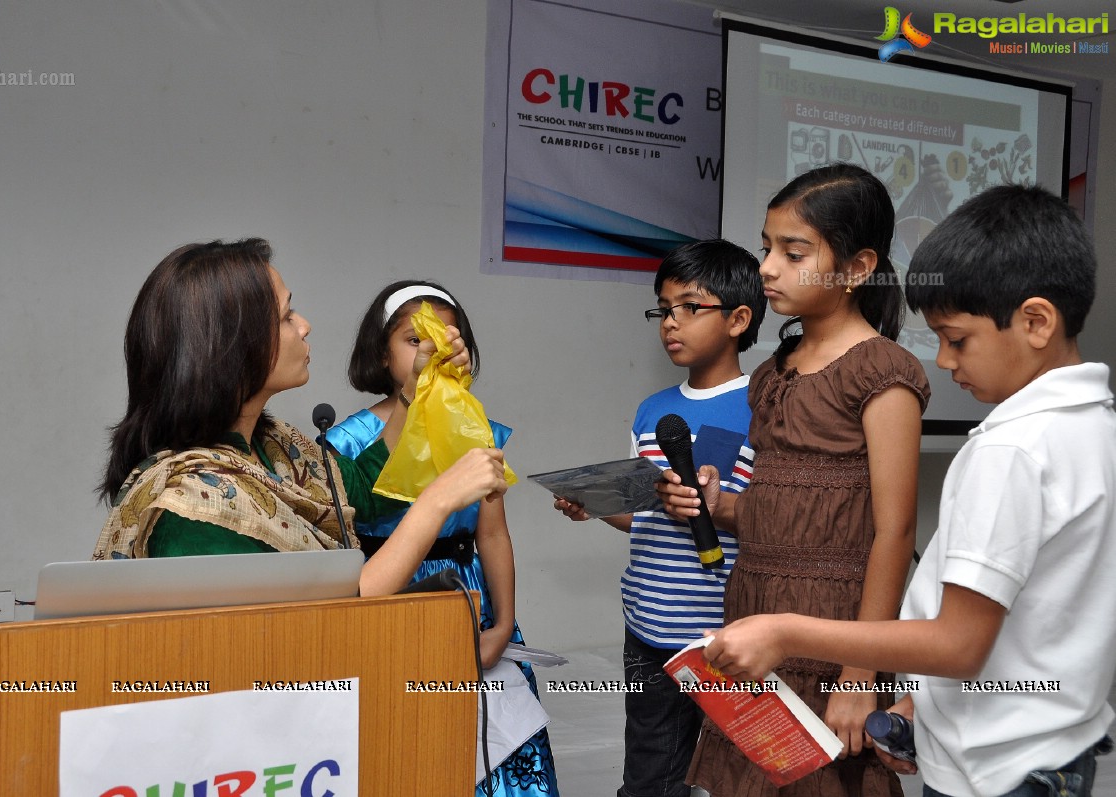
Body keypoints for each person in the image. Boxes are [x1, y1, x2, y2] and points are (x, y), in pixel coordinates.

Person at [696, 184, 1116, 797]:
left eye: (958, 339)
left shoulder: (1010, 450)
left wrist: (788, 633)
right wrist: (922, 702)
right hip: (1048, 743)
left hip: (994, 768)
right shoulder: (1093, 426)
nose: (943, 362)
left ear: (1035, 321)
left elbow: (958, 640)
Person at [660, 163, 929, 796]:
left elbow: (893, 534)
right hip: (756, 609)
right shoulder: (771, 372)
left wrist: (860, 674)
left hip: (833, 635)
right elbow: (785, 505)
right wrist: (720, 506)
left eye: (794, 251)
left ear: (857, 267)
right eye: (766, 247)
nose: (768, 267)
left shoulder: (883, 374)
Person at [94, 240, 509, 599]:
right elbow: (326, 619)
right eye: (287, 316)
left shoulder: (274, 446)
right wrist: (438, 500)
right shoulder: (193, 510)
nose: (305, 326)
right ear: (235, 349)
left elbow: (367, 492)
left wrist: (414, 392)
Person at [326, 281, 559, 797]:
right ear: (381, 354)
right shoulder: (346, 443)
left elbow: (494, 534)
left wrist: (502, 624)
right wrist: (416, 398)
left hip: (468, 597)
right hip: (392, 598)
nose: (431, 349)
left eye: (446, 338)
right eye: (414, 339)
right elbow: (368, 508)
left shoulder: (479, 432)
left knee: (497, 748)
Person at [552, 240, 764, 797]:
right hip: (647, 625)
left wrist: (716, 508)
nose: (670, 323)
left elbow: (772, 523)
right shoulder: (652, 410)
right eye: (663, 309)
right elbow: (643, 517)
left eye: (689, 307)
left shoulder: (764, 407)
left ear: (739, 319)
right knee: (651, 775)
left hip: (723, 633)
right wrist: (595, 506)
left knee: (739, 772)